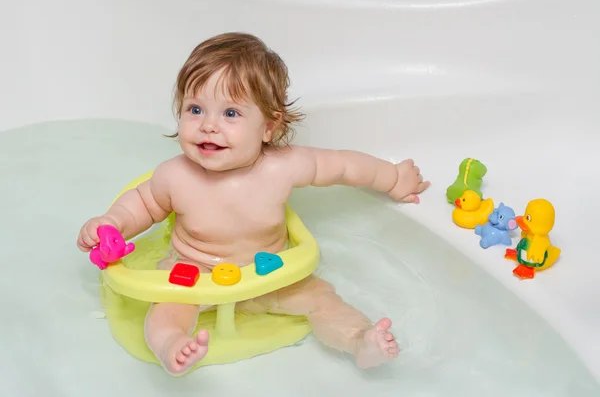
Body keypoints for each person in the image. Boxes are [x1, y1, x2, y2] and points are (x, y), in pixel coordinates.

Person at [77, 32, 430, 376]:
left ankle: (358, 342)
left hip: (271, 275)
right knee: (165, 313)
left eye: (230, 114)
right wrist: (111, 223)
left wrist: (393, 178)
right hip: (194, 275)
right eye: (195, 109)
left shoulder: (283, 166)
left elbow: (344, 166)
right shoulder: (175, 176)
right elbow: (142, 203)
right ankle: (174, 347)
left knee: (324, 300)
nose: (209, 126)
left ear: (268, 127)